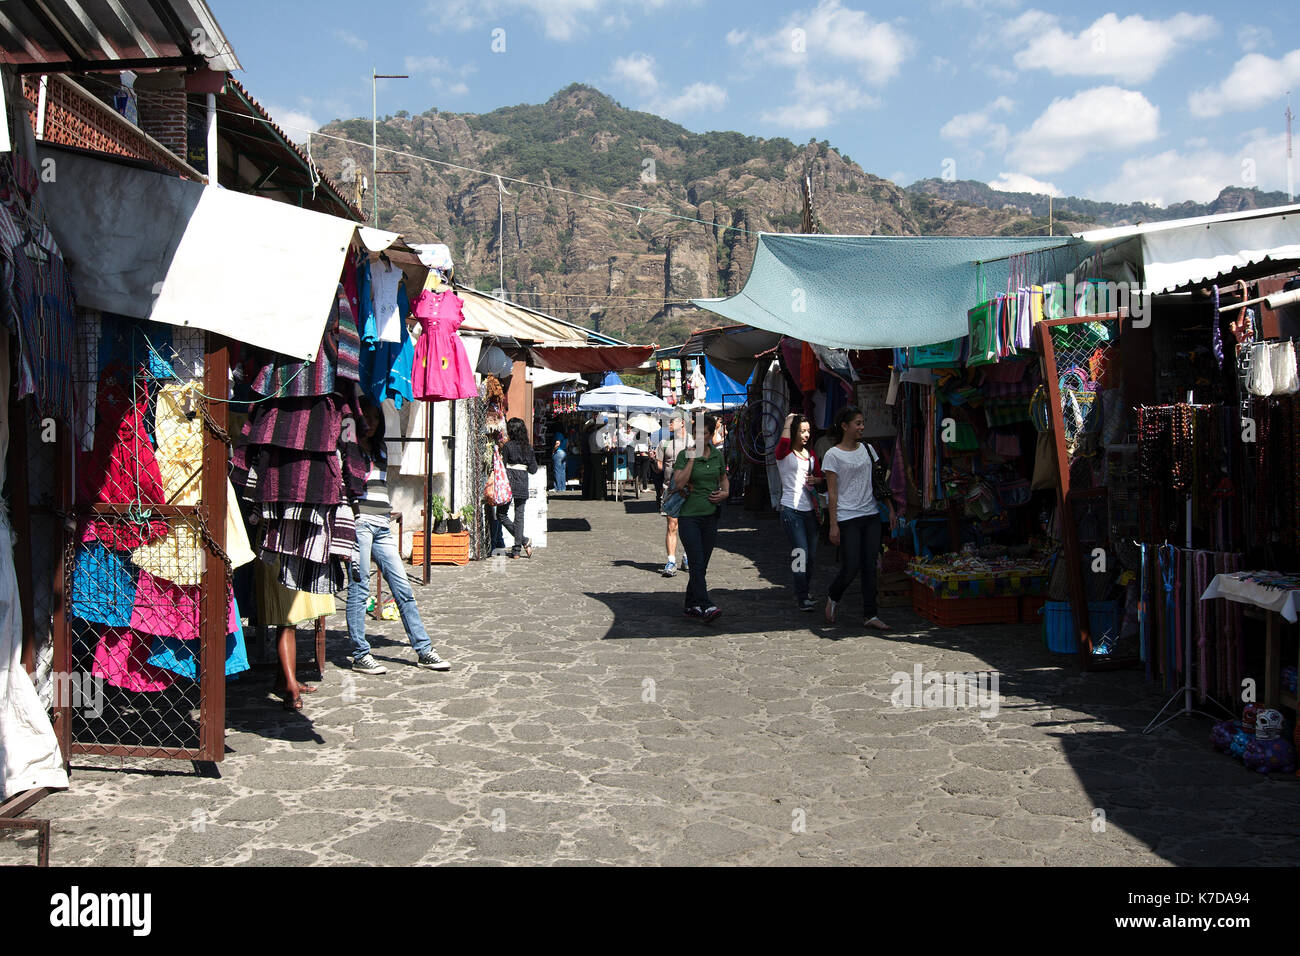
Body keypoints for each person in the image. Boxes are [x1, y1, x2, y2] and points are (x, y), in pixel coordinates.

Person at [348, 400, 451, 673]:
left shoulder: (380, 450)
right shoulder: (348, 449)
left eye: (374, 418)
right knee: (359, 590)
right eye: (365, 418)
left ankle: (424, 649)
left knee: (403, 588)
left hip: (381, 525)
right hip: (359, 524)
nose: (370, 423)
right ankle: (360, 654)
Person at [822, 405, 888, 630]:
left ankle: (870, 614)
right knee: (851, 566)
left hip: (871, 514)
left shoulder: (869, 449)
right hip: (847, 516)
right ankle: (833, 595)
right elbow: (832, 492)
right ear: (844, 426)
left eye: (862, 423)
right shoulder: (832, 455)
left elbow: (879, 482)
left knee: (870, 565)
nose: (862, 427)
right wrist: (833, 525)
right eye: (857, 423)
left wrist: (889, 508)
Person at [673, 413, 728, 621]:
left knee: (701, 564)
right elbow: (679, 484)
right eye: (696, 434)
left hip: (711, 516)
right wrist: (692, 459)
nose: (699, 438)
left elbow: (724, 479)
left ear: (711, 434)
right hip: (689, 517)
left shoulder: (717, 455)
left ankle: (690, 604)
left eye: (704, 434)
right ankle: (705, 605)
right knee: (696, 562)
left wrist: (725, 493)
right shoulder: (684, 455)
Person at [775, 412, 824, 611]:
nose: (806, 435)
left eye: (808, 431)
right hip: (790, 509)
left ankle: (803, 589)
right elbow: (783, 442)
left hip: (809, 509)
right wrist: (788, 420)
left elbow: (821, 478)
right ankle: (801, 595)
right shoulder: (783, 454)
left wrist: (816, 481)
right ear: (794, 432)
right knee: (799, 553)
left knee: (810, 555)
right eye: (802, 431)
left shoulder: (811, 455)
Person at [656, 413, 690, 576]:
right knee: (672, 525)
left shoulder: (692, 442)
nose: (668, 424)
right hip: (670, 489)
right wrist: (654, 461)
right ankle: (671, 561)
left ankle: (686, 556)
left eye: (672, 421)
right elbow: (660, 467)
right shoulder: (664, 443)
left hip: (690, 490)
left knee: (688, 525)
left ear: (682, 423)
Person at [500, 417, 537, 558]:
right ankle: (518, 548)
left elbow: (502, 466)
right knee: (519, 516)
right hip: (522, 482)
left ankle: (522, 542)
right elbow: (533, 469)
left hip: (509, 482)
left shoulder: (507, 447)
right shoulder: (528, 448)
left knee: (501, 515)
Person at [551, 427, 568, 492]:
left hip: (558, 452)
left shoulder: (558, 434)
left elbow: (557, 443)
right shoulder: (565, 435)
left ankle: (557, 488)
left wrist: (553, 451)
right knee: (563, 471)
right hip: (564, 452)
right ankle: (563, 488)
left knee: (557, 471)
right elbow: (567, 444)